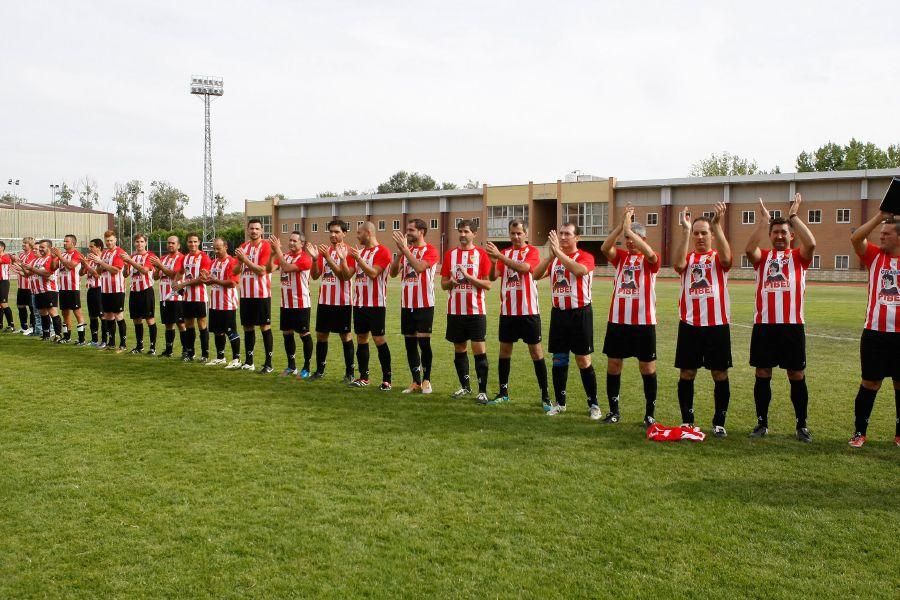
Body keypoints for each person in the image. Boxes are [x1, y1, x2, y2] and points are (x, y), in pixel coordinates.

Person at [745, 194, 816, 443]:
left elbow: (813, 244)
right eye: (775, 232)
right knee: (763, 373)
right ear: (770, 234)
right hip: (764, 325)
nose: (779, 236)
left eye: (783, 232)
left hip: (792, 325)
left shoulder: (799, 257)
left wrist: (794, 215)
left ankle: (801, 425)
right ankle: (762, 423)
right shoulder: (763, 258)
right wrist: (762, 221)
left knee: (796, 375)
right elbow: (748, 249)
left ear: (791, 235)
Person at [673, 203, 733, 438]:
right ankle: (687, 421)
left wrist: (718, 226)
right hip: (690, 326)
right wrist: (685, 230)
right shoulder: (687, 260)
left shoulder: (718, 257)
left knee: (719, 374)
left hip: (717, 326)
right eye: (696, 233)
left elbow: (728, 259)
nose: (699, 237)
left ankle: (719, 421)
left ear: (711, 235)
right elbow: (677, 264)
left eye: (703, 232)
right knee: (687, 373)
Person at [600, 205, 660, 427]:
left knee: (647, 368)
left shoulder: (650, 259)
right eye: (627, 238)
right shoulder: (621, 257)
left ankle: (649, 414)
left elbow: (651, 254)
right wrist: (620, 227)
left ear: (643, 238)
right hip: (618, 322)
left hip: (644, 323)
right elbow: (605, 248)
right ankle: (614, 410)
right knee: (614, 364)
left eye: (635, 238)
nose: (630, 241)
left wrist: (631, 230)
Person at [535, 223, 600, 419]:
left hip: (580, 313)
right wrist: (549, 256)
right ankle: (560, 403)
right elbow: (535, 275)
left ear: (577, 238)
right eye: (560, 234)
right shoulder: (554, 260)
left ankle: (594, 404)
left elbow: (579, 271)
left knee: (583, 360)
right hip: (559, 314)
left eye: (567, 234)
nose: (563, 237)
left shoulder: (585, 256)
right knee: (559, 359)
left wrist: (559, 254)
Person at [848, 209, 900, 448]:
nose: (880, 237)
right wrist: (880, 217)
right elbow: (856, 238)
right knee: (870, 383)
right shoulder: (875, 256)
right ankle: (860, 432)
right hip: (875, 333)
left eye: (886, 234)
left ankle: (899, 434)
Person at [484, 218, 549, 408]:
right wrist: (493, 261)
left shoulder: (532, 251)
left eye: (519, 233)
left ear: (526, 234)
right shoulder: (504, 253)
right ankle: (503, 392)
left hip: (529, 311)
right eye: (512, 233)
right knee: (504, 351)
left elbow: (525, 269)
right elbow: (492, 277)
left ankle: (545, 395)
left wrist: (500, 257)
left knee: (536, 352)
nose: (516, 236)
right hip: (508, 312)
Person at [440, 219, 493, 403]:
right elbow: (443, 284)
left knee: (479, 349)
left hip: (476, 311)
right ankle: (465, 387)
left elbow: (487, 284)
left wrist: (469, 277)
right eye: (460, 231)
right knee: (459, 348)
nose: (463, 235)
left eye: (466, 231)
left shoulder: (481, 255)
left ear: (474, 234)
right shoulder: (450, 255)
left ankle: (482, 391)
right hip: (455, 311)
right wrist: (451, 283)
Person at [390, 218, 439, 394]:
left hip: (424, 303)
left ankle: (427, 380)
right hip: (407, 303)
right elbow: (393, 273)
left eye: (411, 230)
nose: (407, 233)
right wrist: (399, 253)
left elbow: (419, 267)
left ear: (421, 232)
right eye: (407, 230)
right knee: (410, 343)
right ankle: (415, 381)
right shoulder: (406, 250)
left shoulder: (431, 250)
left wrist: (405, 250)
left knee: (424, 343)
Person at [308, 220, 356, 382]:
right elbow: (315, 276)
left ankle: (350, 373)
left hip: (342, 301)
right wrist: (315, 260)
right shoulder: (325, 251)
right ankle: (320, 370)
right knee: (321, 335)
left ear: (344, 233)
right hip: (325, 300)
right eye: (331, 232)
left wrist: (328, 258)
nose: (333, 235)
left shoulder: (349, 252)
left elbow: (344, 276)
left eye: (336, 232)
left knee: (345, 336)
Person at [348, 222, 393, 390]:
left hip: (376, 304)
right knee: (361, 338)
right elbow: (348, 275)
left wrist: (358, 259)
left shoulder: (383, 251)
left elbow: (374, 273)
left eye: (359, 233)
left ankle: (387, 379)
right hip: (359, 303)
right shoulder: (359, 252)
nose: (357, 236)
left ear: (368, 233)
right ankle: (363, 377)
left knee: (379, 339)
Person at [270, 232, 315, 377]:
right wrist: (272, 253)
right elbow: (270, 268)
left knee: (304, 334)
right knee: (287, 334)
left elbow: (287, 268)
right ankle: (291, 366)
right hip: (286, 303)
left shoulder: (305, 258)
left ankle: (306, 368)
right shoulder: (286, 255)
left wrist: (277, 250)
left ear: (302, 243)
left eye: (295, 241)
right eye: (290, 240)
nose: (291, 243)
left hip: (300, 303)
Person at [233, 218, 275, 373]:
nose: (254, 231)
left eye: (257, 229)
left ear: (262, 231)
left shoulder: (266, 246)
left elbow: (262, 270)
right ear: (248, 230)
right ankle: (249, 361)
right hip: (246, 294)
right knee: (248, 327)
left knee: (265, 326)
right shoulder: (243, 247)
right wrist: (239, 262)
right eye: (251, 228)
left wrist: (245, 260)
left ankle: (268, 363)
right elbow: (236, 271)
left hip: (261, 294)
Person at [202, 237, 242, 369]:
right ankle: (220, 357)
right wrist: (205, 279)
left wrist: (215, 280)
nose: (216, 251)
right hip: (214, 303)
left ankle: (237, 359)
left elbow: (232, 283)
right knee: (217, 331)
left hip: (227, 303)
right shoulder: (213, 263)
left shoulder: (232, 262)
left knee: (230, 331)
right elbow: (210, 280)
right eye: (214, 248)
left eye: (218, 248)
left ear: (226, 247)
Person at [87, 230, 129, 352]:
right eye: (107, 240)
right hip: (105, 289)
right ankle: (111, 343)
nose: (109, 242)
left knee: (118, 316)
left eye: (111, 240)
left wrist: (100, 262)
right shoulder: (104, 253)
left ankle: (123, 344)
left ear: (115, 240)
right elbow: (99, 272)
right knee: (108, 316)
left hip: (117, 289)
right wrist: (98, 263)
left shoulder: (120, 252)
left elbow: (115, 270)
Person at [174, 233, 212, 362]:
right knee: (189, 324)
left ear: (199, 242)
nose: (192, 244)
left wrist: (184, 283)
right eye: (190, 242)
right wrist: (175, 282)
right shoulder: (185, 258)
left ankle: (205, 354)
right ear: (187, 243)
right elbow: (180, 272)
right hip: (187, 298)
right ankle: (190, 353)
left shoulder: (204, 257)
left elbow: (203, 279)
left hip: (200, 297)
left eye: (195, 242)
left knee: (202, 324)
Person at [16, 239, 63, 341]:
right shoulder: (37, 260)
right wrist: (22, 266)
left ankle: (58, 335)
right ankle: (46, 335)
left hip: (49, 290)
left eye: (42, 247)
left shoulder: (51, 259)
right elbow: (29, 274)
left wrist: (31, 269)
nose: (40, 249)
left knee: (52, 312)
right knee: (42, 313)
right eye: (39, 247)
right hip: (38, 291)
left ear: (49, 248)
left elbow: (47, 274)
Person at [149, 236, 186, 358]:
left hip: (177, 297)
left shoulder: (181, 258)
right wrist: (156, 269)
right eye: (169, 243)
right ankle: (169, 350)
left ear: (178, 245)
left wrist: (161, 266)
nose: (170, 245)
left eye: (173, 243)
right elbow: (155, 277)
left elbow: (174, 275)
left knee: (181, 323)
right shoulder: (163, 258)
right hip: (164, 297)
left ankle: (186, 350)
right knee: (168, 324)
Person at [121, 233, 158, 354]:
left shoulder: (150, 256)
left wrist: (129, 261)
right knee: (136, 319)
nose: (139, 244)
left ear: (145, 243)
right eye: (137, 242)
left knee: (149, 319)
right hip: (134, 291)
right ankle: (139, 346)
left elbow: (144, 270)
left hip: (146, 290)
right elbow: (125, 275)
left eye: (142, 241)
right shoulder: (132, 256)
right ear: (134, 243)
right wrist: (126, 266)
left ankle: (152, 347)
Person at [51, 235, 86, 345]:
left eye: (67, 241)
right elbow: (53, 267)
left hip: (73, 288)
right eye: (64, 241)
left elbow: (71, 266)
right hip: (63, 288)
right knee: (65, 313)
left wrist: (59, 256)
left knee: (77, 313)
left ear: (73, 243)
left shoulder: (77, 254)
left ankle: (82, 339)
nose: (64, 243)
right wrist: (53, 257)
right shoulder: (63, 254)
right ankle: (67, 337)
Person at [80, 239, 104, 346]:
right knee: (92, 316)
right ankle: (94, 340)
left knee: (102, 315)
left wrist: (86, 265)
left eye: (92, 247)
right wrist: (83, 265)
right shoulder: (89, 259)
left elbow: (97, 274)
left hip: (100, 289)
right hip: (91, 289)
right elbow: (81, 273)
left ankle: (104, 340)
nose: (90, 249)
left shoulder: (102, 258)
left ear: (98, 247)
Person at [14, 237, 37, 335]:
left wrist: (19, 263)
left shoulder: (33, 255)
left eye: (25, 243)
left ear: (30, 244)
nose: (23, 245)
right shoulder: (22, 255)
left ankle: (32, 327)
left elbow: (28, 269)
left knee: (32, 307)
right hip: (21, 285)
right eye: (23, 243)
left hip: (30, 285)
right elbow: (19, 266)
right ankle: (24, 327)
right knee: (20, 305)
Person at [0, 241, 15, 332]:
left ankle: (11, 324)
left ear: (2, 247)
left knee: (4, 303)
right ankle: (0, 324)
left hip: (3, 282)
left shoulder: (6, 256)